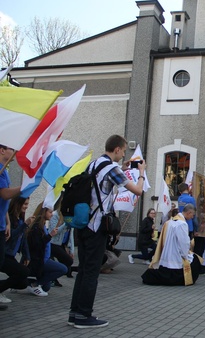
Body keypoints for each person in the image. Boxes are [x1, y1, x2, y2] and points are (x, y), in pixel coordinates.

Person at [69, 134, 146, 329]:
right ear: (118, 149)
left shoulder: (94, 164)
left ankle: (74, 313)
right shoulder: (111, 168)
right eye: (123, 152)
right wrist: (141, 173)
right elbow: (137, 190)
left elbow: (103, 182)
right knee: (92, 272)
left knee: (83, 269)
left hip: (84, 224)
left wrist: (125, 167)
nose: (123, 155)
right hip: (97, 226)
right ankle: (84, 315)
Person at [141, 204, 201, 286]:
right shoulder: (182, 224)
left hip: (168, 251)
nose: (192, 217)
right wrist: (185, 255)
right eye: (193, 215)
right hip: (175, 254)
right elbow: (183, 243)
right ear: (189, 212)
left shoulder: (171, 221)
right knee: (195, 260)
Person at [27, 203, 68, 295]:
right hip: (40, 259)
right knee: (63, 269)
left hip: (44, 258)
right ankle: (35, 284)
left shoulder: (42, 225)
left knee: (46, 288)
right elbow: (37, 244)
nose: (52, 214)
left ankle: (26, 282)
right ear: (43, 212)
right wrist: (50, 236)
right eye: (50, 212)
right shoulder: (36, 227)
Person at [0, 144, 22, 308]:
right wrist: (24, 187)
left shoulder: (4, 170)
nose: (15, 152)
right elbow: (5, 193)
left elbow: (3, 201)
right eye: (11, 149)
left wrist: (7, 222)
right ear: (2, 150)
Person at [1, 196, 31, 305]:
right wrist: (24, 225)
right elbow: (10, 236)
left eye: (27, 204)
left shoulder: (21, 219)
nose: (26, 207)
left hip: (11, 256)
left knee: (23, 283)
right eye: (25, 204)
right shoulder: (9, 218)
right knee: (24, 272)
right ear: (17, 203)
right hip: (4, 254)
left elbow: (23, 240)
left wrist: (27, 255)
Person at [48, 208, 74, 283]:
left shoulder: (70, 216)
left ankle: (52, 275)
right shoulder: (55, 215)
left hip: (61, 243)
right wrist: (65, 224)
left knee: (68, 262)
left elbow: (71, 233)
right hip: (52, 242)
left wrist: (71, 249)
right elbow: (54, 231)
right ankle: (52, 276)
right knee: (66, 262)